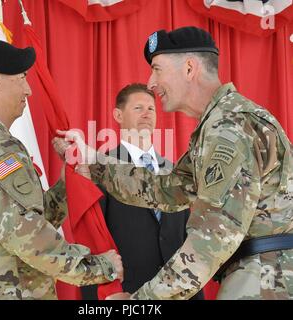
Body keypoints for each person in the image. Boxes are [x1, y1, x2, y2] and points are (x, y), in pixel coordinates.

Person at [55, 26, 293, 300]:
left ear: (189, 68)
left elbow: (212, 238)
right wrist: (92, 160)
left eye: (157, 69)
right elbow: (167, 189)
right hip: (262, 274)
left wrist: (138, 301)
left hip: (266, 280)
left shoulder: (228, 128)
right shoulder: (219, 124)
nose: (151, 82)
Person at [0, 39, 123, 300]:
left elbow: (15, 222)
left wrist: (66, 183)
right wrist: (100, 267)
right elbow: (27, 237)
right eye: (21, 78)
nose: (28, 90)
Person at [80, 83, 204, 300]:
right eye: (138, 108)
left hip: (179, 292)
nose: (147, 114)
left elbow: (186, 237)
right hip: (127, 294)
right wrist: (100, 297)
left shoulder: (175, 171)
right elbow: (91, 236)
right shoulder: (99, 168)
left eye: (151, 109)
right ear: (118, 115)